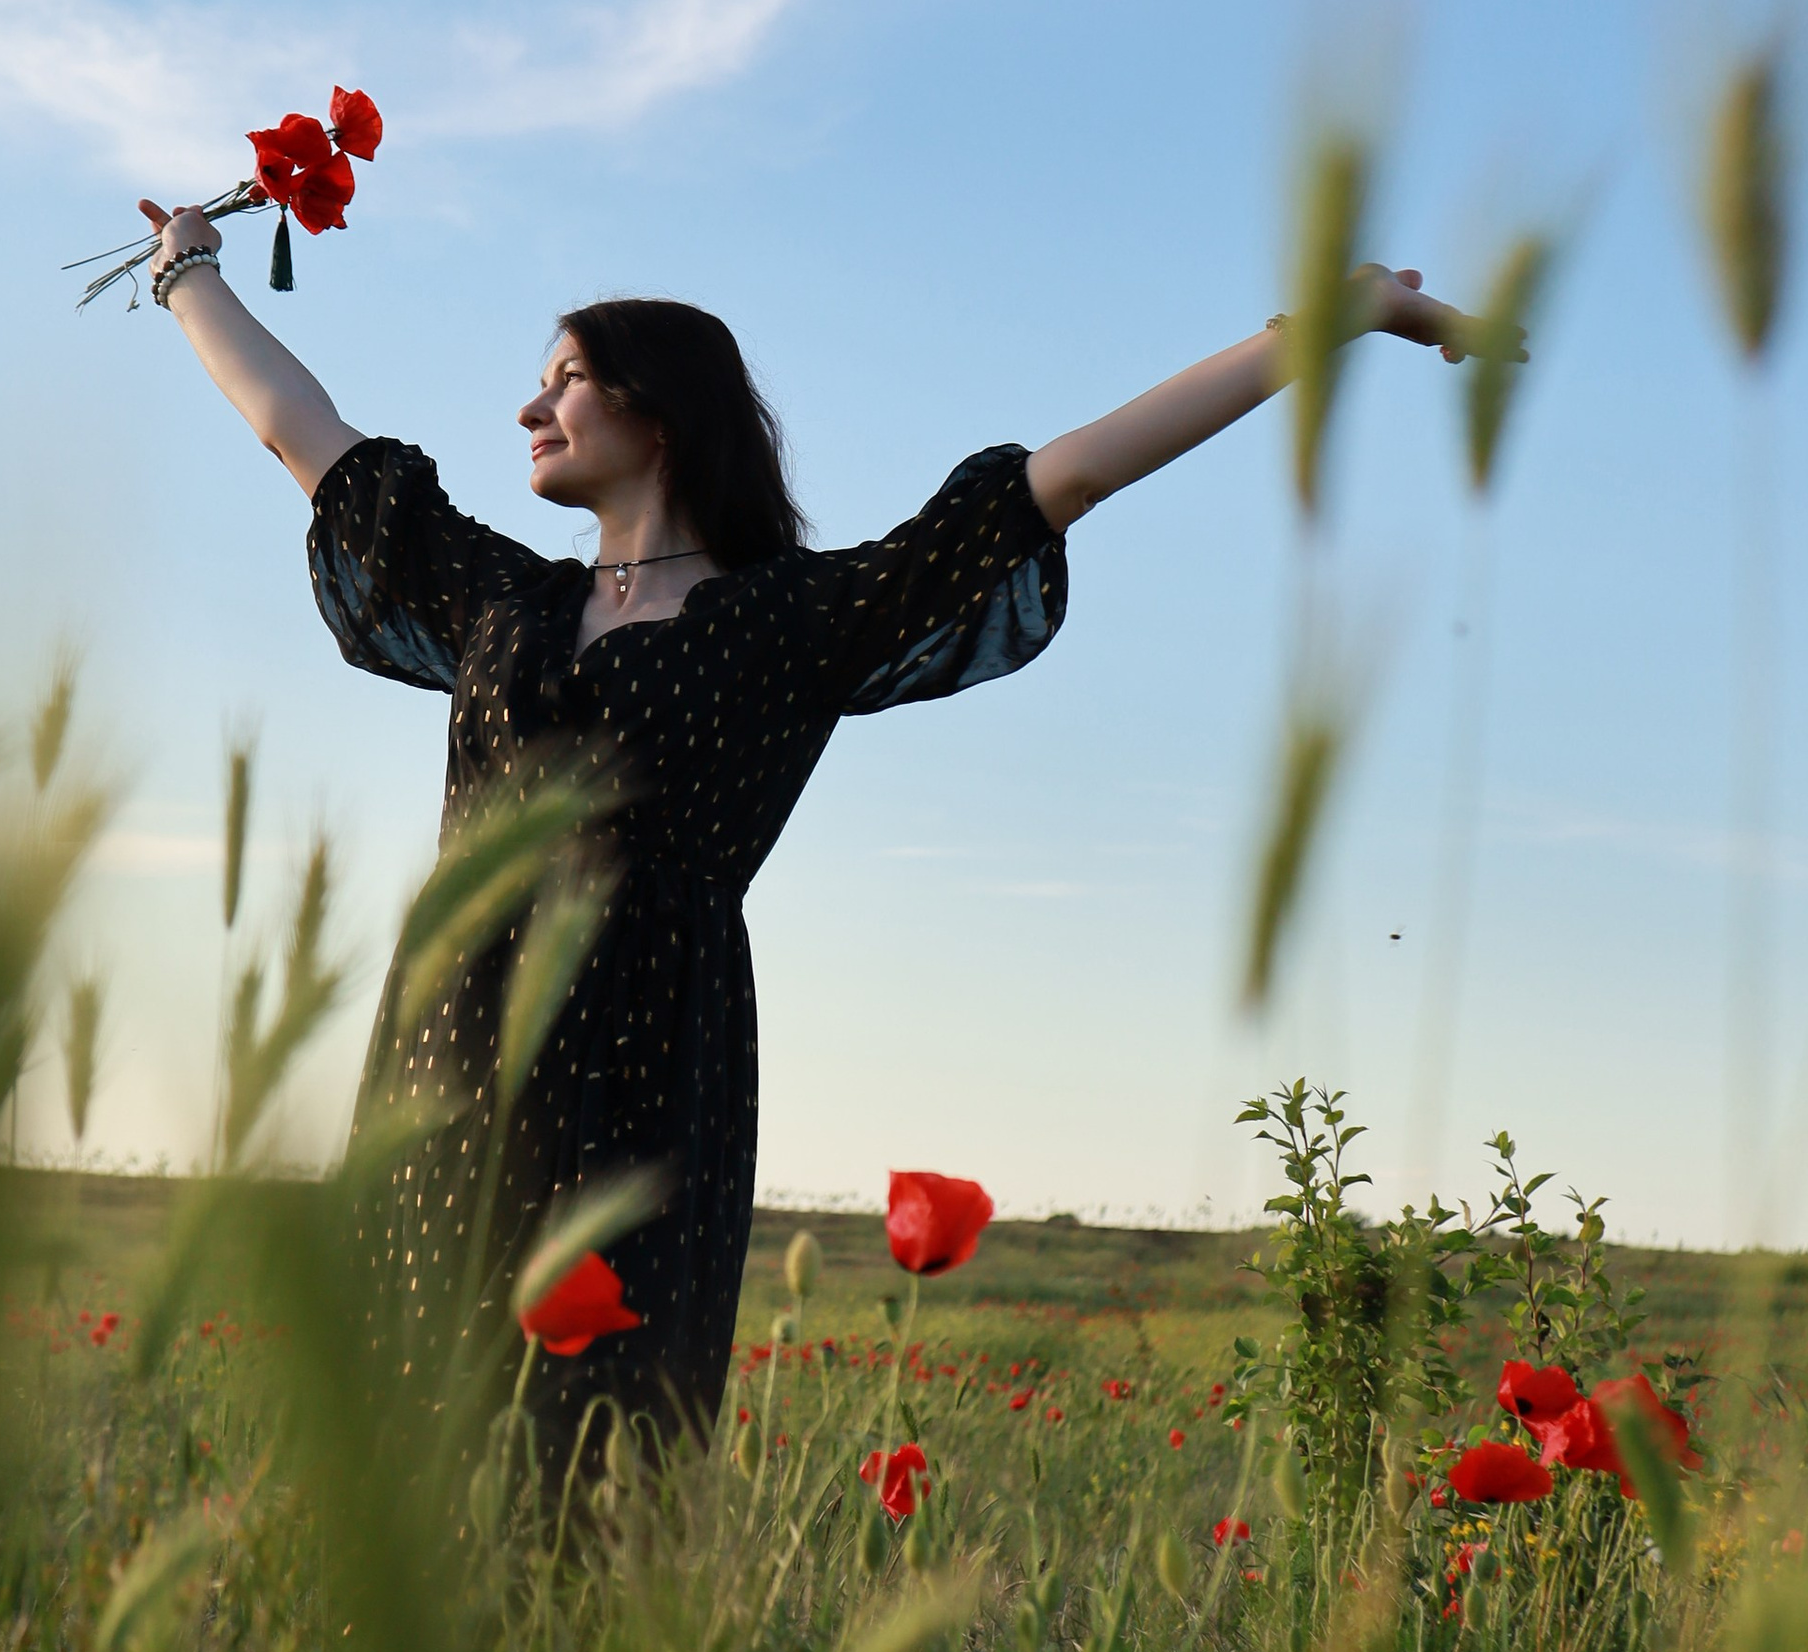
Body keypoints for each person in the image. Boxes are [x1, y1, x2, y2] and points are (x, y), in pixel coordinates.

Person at [136, 191, 1508, 1482]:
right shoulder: (500, 593)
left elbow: (1070, 475)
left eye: (562, 377)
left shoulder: (795, 619)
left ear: (658, 411)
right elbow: (300, 431)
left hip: (647, 1054)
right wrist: (189, 271)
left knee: (596, 1442)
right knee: (412, 1407)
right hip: (453, 1044)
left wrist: (1329, 325)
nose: (528, 405)